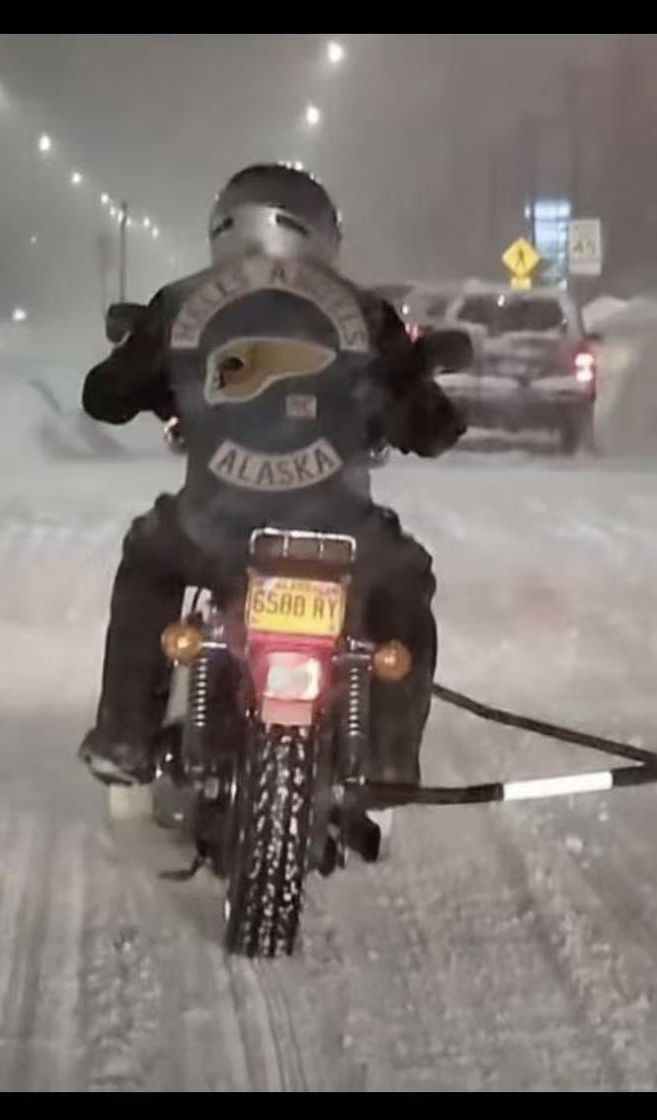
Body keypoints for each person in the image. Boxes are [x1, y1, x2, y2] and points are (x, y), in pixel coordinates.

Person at [79, 163, 464, 787]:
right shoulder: (364, 314)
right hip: (340, 536)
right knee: (405, 582)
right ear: (318, 233)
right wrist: (407, 402)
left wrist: (163, 382)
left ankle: (126, 736)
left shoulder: (183, 303)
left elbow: (104, 397)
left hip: (213, 531)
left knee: (149, 558)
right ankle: (391, 758)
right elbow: (433, 429)